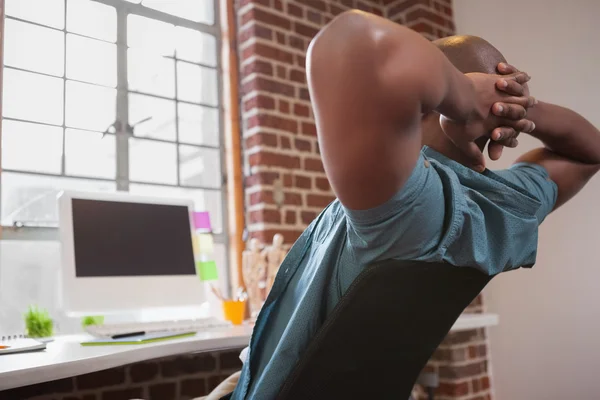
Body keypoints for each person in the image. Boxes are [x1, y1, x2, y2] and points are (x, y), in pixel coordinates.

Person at [205, 10, 600, 400]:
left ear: (432, 100)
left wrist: (463, 97)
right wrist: (518, 107)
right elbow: (590, 153)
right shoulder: (506, 206)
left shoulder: (403, 206)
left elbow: (349, 42)